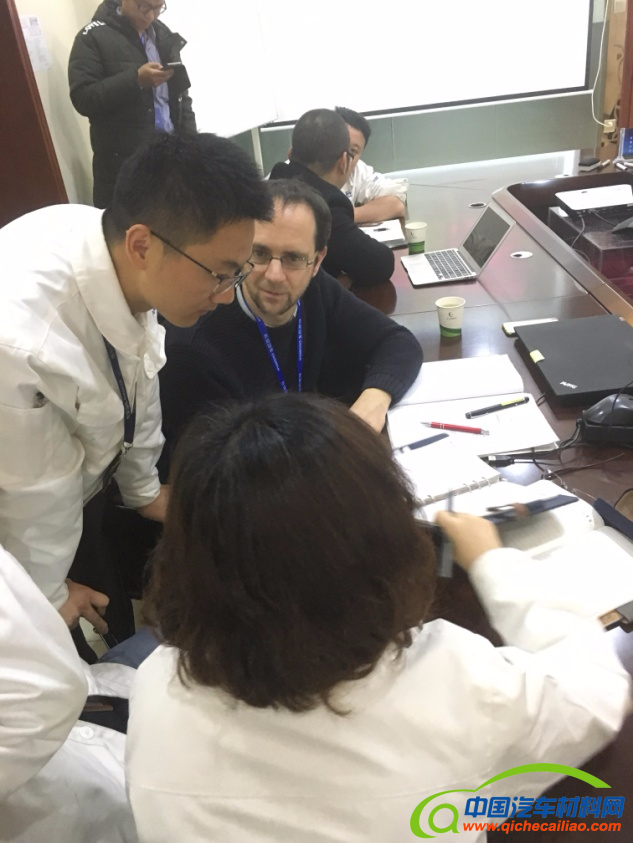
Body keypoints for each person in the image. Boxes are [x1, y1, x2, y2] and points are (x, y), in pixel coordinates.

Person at [126, 393, 630, 843]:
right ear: (384, 543)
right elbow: (597, 694)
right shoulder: (455, 685)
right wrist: (493, 562)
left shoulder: (155, 691)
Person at [0, 132, 272, 650]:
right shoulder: (22, 341)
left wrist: (144, 489)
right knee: (71, 654)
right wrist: (45, 594)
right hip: (17, 532)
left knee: (115, 611)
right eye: (218, 274)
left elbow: (139, 369)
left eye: (237, 273)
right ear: (142, 245)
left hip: (79, 494)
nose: (224, 296)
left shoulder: (111, 248)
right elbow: (33, 494)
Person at [158, 179, 421, 474]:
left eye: (293, 258)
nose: (274, 275)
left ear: (317, 261)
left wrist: (372, 403)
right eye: (259, 253)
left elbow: (398, 342)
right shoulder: (194, 351)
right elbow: (215, 478)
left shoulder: (314, 287)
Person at [68, 0, 197, 208]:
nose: (151, 16)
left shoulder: (162, 34)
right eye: (145, 6)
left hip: (172, 159)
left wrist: (193, 145)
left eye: (158, 8)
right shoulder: (92, 37)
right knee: (132, 225)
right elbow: (84, 98)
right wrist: (135, 80)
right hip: (125, 166)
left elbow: (181, 97)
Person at [269, 109, 394, 286]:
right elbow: (380, 263)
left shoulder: (274, 183)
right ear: (344, 161)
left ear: (290, 154)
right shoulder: (324, 204)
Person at [335, 106, 408, 224]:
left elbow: (396, 204)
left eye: (353, 151)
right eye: (340, 145)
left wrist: (345, 216)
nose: (345, 157)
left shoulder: (358, 170)